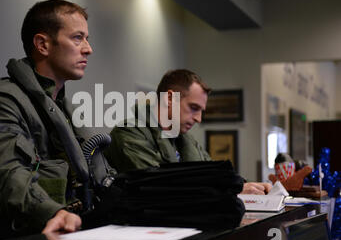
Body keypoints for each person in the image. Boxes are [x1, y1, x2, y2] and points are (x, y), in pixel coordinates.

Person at [0, 0, 93, 240]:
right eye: (78, 38)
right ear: (42, 44)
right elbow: (7, 173)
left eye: (86, 38)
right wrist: (53, 211)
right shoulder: (1, 100)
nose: (88, 48)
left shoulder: (63, 109)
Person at [105, 69, 272, 195]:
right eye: (193, 108)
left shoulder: (185, 140)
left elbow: (214, 174)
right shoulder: (129, 134)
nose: (199, 118)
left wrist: (249, 186)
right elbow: (161, 188)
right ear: (169, 99)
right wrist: (233, 189)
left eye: (201, 111)